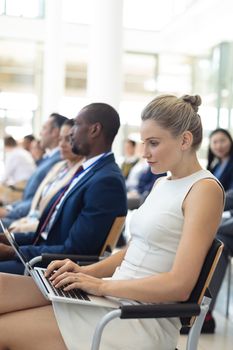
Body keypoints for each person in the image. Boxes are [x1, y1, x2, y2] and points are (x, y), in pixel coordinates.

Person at [0, 94, 224, 350]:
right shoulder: (163, 182)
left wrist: (100, 285)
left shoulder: (204, 190)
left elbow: (180, 285)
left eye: (153, 143)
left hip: (137, 318)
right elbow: (135, 249)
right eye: (143, 142)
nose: (144, 153)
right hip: (113, 296)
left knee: (3, 329)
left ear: (185, 140)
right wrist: (85, 273)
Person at [0, 102, 127, 274]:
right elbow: (48, 234)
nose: (71, 131)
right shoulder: (88, 171)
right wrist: (9, 239)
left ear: (94, 130)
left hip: (53, 268)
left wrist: (11, 252)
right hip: (43, 256)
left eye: (76, 124)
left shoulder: (106, 181)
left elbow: (77, 250)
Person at [8, 119, 84, 235]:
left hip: (39, 229)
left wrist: (13, 217)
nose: (61, 145)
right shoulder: (59, 166)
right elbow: (37, 199)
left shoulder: (80, 172)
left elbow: (54, 220)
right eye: (60, 139)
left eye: (69, 140)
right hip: (30, 220)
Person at [0, 113, 67, 228]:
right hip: (22, 211)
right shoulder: (48, 159)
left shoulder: (58, 161)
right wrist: (10, 209)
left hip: (27, 217)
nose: (40, 133)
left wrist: (9, 212)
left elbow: (40, 200)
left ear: (55, 132)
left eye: (44, 128)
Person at [0, 136, 36, 204]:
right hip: (28, 184)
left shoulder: (13, 155)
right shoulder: (22, 152)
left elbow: (5, 176)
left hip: (23, 186)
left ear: (6, 145)